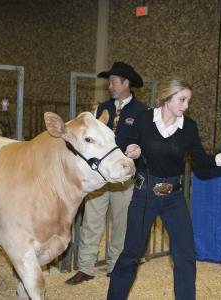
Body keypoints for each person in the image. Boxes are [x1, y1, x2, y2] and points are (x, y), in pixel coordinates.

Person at [107, 78, 221, 300]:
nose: (186, 106)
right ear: (168, 97)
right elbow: (129, 141)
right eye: (182, 99)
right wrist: (132, 148)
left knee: (186, 256)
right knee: (131, 254)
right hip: (145, 195)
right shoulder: (144, 119)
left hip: (174, 199)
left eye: (188, 101)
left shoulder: (188, 127)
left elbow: (201, 160)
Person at [66, 62, 147, 285]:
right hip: (98, 177)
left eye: (113, 81)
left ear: (126, 83)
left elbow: (145, 142)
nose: (109, 85)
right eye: (109, 81)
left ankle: (114, 266)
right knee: (91, 220)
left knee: (121, 223)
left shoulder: (142, 112)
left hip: (123, 177)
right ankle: (85, 267)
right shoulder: (101, 109)